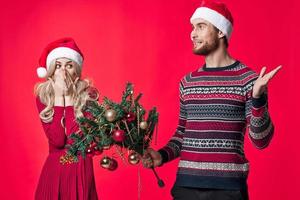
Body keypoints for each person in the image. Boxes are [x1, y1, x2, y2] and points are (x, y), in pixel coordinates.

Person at [142, 1, 281, 200]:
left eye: (201, 26)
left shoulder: (249, 80)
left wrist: (257, 98)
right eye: (192, 27)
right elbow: (182, 133)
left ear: (221, 32)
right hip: (185, 186)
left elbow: (261, 141)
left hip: (228, 190)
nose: (192, 33)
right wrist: (162, 155)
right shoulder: (188, 82)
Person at [34, 38, 99, 200]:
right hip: (54, 171)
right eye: (58, 66)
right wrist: (58, 98)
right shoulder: (43, 97)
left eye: (69, 66)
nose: (63, 72)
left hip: (80, 170)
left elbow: (75, 141)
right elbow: (57, 141)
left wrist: (68, 97)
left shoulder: (89, 96)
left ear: (76, 71)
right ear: (51, 71)